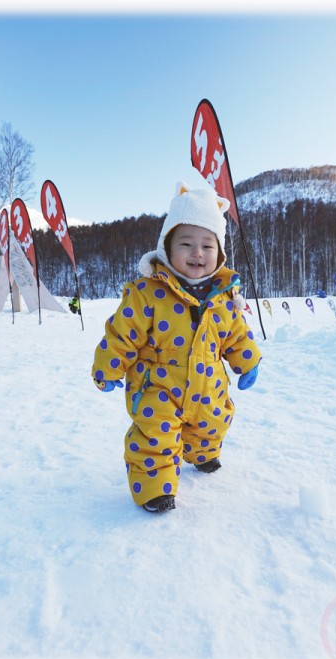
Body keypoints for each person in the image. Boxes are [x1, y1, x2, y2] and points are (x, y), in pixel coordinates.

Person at [91, 182, 262, 513]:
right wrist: (107, 367)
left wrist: (248, 360)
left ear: (219, 253)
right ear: (167, 249)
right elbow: (121, 333)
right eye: (186, 243)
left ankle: (202, 453)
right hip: (159, 388)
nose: (197, 253)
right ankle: (154, 488)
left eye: (206, 245)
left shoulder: (224, 296)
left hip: (209, 384)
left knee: (214, 422)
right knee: (155, 437)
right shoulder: (147, 293)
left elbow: (236, 334)